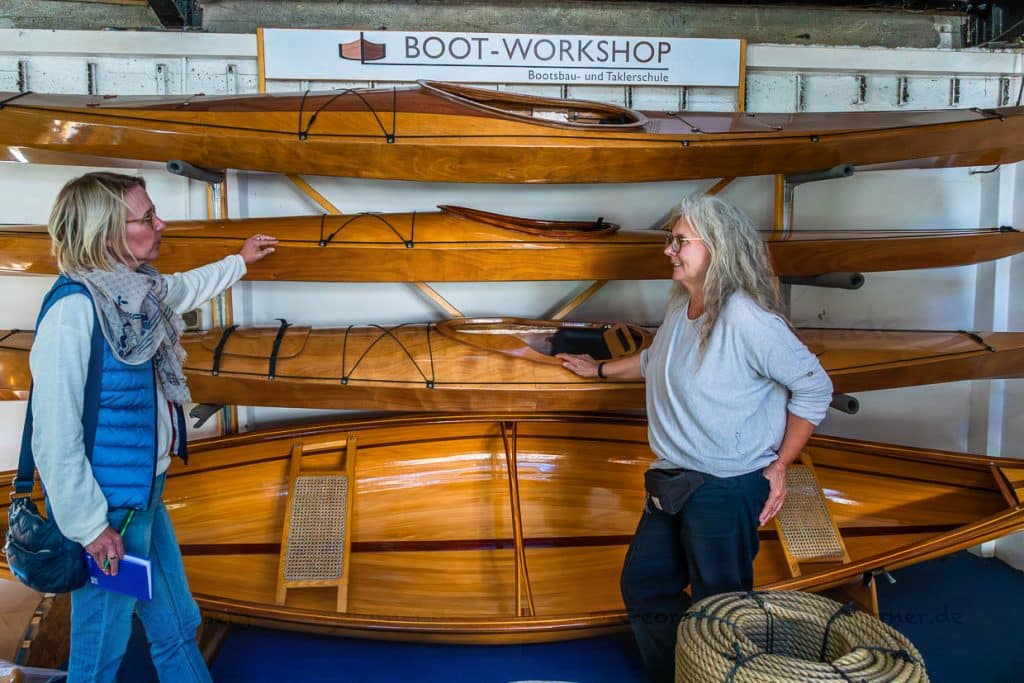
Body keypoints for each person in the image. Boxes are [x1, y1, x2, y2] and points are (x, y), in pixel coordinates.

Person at [558, 193, 833, 683]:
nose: (669, 249)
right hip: (673, 479)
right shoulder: (684, 309)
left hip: (726, 487)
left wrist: (780, 466)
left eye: (679, 240)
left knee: (721, 607)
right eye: (671, 240)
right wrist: (597, 369)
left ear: (717, 249)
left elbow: (815, 387)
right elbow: (653, 361)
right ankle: (681, 674)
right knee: (646, 586)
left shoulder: (745, 319)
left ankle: (723, 675)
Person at [26, 171, 278, 682]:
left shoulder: (139, 294)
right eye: (147, 218)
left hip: (143, 496)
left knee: (177, 626)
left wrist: (240, 261)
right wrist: (91, 528)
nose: (161, 224)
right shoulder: (74, 312)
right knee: (100, 655)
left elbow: (184, 289)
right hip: (110, 515)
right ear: (107, 234)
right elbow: (53, 439)